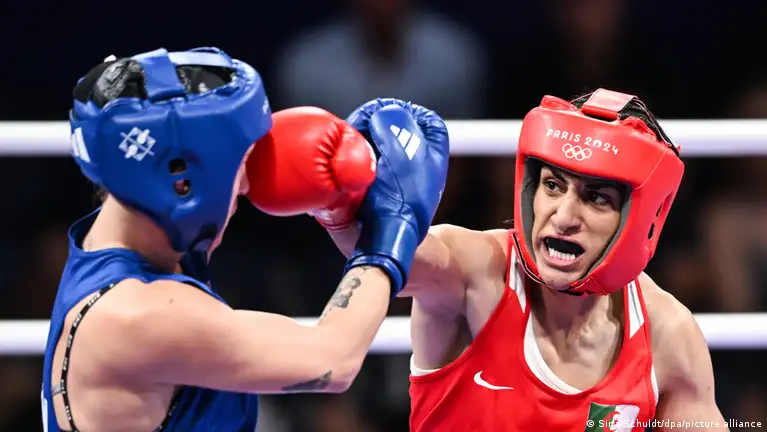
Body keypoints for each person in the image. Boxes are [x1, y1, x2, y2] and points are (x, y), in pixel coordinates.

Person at [41, 47, 450, 432]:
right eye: (240, 165)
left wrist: (340, 212)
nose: (247, 185)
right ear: (181, 184)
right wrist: (391, 232)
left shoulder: (114, 240)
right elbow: (332, 360)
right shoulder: (138, 317)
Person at [312, 89, 729, 431]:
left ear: (639, 219)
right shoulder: (477, 271)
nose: (563, 217)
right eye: (553, 186)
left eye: (596, 198)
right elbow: (392, 250)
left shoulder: (667, 333)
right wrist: (336, 198)